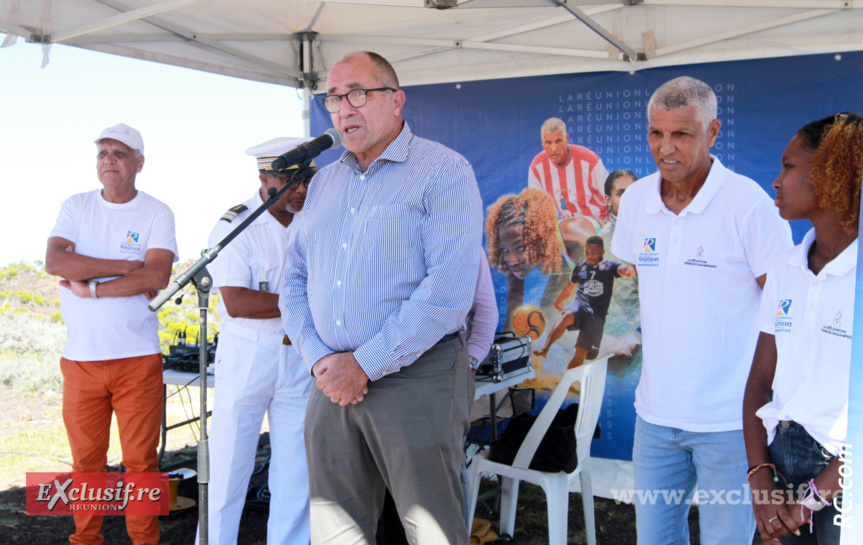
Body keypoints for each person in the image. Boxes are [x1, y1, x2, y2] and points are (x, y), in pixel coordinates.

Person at [280, 51, 483, 545]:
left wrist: (363, 364)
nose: (344, 109)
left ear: (396, 100)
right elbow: (293, 280)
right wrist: (320, 360)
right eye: (333, 98)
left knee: (429, 529)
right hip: (330, 383)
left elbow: (448, 293)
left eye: (357, 94)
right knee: (335, 532)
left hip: (417, 376)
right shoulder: (324, 182)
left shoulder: (443, 171)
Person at [610, 76, 793, 545]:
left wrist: (774, 407)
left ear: (712, 133)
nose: (665, 148)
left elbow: (786, 314)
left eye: (682, 134)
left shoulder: (749, 205)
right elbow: (643, 289)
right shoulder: (635, 202)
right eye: (656, 133)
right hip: (654, 419)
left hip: (730, 425)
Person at [45, 123, 178, 545]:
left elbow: (157, 274)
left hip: (136, 358)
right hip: (81, 360)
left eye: (119, 154)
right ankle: (86, 539)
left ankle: (144, 541)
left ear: (139, 162)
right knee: (87, 464)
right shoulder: (76, 206)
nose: (109, 160)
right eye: (103, 153)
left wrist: (94, 286)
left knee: (141, 464)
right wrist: (125, 267)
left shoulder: (157, 212)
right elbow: (54, 262)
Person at [743, 113, 862, 544]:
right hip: (780, 468)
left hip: (845, 481)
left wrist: (811, 499)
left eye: (789, 167)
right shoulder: (787, 269)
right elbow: (759, 384)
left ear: (832, 174)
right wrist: (760, 480)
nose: (776, 182)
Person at [200, 138, 314, 545]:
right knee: (229, 469)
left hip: (300, 355)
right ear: (265, 178)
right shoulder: (236, 224)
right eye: (290, 181)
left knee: (297, 472)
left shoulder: (315, 220)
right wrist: (305, 302)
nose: (300, 190)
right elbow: (237, 301)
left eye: (307, 179)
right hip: (248, 354)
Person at [533, 235, 635, 368]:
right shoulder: (580, 267)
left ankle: (570, 383)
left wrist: (628, 271)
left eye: (593, 253)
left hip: (596, 314)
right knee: (567, 315)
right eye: (587, 252)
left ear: (602, 252)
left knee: (580, 354)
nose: (589, 256)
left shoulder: (610, 266)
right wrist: (557, 303)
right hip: (580, 304)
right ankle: (545, 348)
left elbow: (622, 268)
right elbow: (568, 290)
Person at [485, 188, 568, 332]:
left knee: (548, 306)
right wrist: (507, 342)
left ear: (539, 240)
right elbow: (514, 298)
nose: (512, 261)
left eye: (520, 248)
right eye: (504, 250)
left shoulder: (562, 247)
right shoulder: (515, 259)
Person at [527, 117, 609, 262]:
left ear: (566, 139)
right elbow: (537, 210)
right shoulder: (537, 167)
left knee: (575, 227)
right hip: (567, 227)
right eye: (548, 142)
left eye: (558, 141)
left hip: (599, 221)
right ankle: (564, 279)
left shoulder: (588, 159)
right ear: (542, 143)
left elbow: (610, 195)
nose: (553, 148)